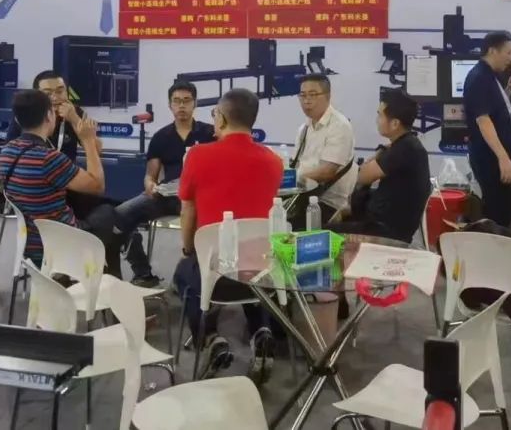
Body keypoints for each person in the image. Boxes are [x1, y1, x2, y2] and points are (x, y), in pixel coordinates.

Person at [173, 88, 282, 383]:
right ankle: (261, 332)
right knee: (250, 269)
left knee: (184, 274)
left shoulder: (198, 156)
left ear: (220, 118)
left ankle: (211, 338)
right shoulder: (273, 161)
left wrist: (188, 250)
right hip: (261, 274)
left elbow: (188, 212)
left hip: (215, 274)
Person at [0, 89, 126, 275]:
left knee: (106, 221)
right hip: (62, 244)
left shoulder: (7, 152)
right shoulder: (49, 158)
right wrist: (88, 141)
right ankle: (105, 280)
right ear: (49, 116)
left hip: (29, 244)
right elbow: (97, 186)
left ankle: (100, 277)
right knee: (108, 213)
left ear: (17, 120)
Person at [116, 81, 215, 287]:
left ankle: (198, 276)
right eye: (176, 101)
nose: (181, 106)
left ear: (195, 103)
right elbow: (150, 176)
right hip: (167, 196)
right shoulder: (161, 137)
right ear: (170, 105)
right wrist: (151, 186)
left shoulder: (209, 133)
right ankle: (143, 272)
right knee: (120, 214)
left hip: (199, 198)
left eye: (186, 100)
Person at [334, 88, 431, 243]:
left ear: (395, 124)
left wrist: (378, 155)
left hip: (385, 232)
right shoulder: (406, 144)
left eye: (380, 115)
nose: (377, 120)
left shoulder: (404, 148)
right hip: (381, 223)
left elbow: (362, 177)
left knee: (322, 233)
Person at [463, 31, 511, 228]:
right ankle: (493, 244)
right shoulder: (479, 78)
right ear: (492, 51)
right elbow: (483, 120)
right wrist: (503, 158)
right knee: (497, 212)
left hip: (497, 157)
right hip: (490, 160)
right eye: (508, 53)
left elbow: (494, 109)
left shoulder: (490, 76)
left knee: (504, 208)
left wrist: (509, 89)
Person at [289, 73, 355, 228]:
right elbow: (296, 164)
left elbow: (327, 172)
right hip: (303, 196)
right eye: (302, 95)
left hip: (327, 202)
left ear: (328, 96)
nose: (306, 100)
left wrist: (292, 179)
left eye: (313, 95)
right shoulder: (304, 128)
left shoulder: (339, 126)